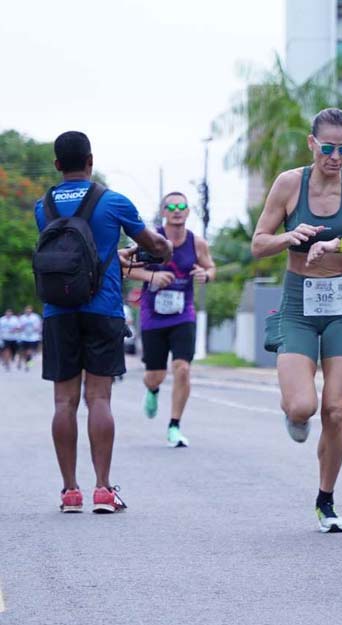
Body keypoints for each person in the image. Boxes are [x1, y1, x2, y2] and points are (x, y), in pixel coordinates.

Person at [251, 107, 342, 532]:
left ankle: (326, 500)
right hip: (297, 303)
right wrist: (287, 238)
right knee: (304, 406)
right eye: (329, 148)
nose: (336, 157)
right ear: (312, 144)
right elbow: (259, 244)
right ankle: (293, 414)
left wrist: (339, 243)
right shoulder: (288, 184)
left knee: (335, 409)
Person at [35, 131, 171, 513]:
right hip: (103, 308)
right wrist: (163, 248)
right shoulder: (113, 202)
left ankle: (70, 492)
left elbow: (69, 249)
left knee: (64, 401)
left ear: (57, 164)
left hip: (58, 311)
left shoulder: (41, 206)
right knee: (99, 398)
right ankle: (103, 490)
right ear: (91, 160)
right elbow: (153, 244)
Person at [124, 192, 216, 448]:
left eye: (182, 206)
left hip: (183, 313)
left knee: (183, 369)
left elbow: (211, 268)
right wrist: (150, 277)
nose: (177, 210)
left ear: (188, 212)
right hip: (153, 316)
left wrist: (204, 275)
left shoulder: (197, 243)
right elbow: (123, 266)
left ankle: (174, 426)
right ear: (163, 211)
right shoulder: (150, 239)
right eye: (171, 206)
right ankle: (152, 390)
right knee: (155, 375)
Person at [17, 305, 43, 372]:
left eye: (29, 310)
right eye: (27, 310)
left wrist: (38, 331)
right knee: (24, 352)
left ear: (31, 310)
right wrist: (20, 328)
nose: (28, 311)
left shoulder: (35, 317)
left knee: (30, 352)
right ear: (25, 311)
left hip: (33, 337)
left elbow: (39, 326)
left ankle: (28, 364)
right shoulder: (22, 318)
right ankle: (26, 364)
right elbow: (19, 327)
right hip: (24, 337)